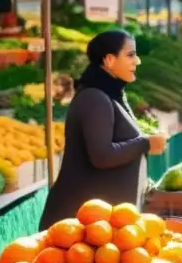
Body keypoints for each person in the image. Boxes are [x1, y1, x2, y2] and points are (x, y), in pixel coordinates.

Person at [39, 30, 167, 228]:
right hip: (77, 227)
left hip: (99, 226)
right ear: (109, 60)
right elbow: (101, 155)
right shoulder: (94, 99)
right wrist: (145, 143)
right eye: (130, 54)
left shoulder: (112, 94)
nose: (137, 61)